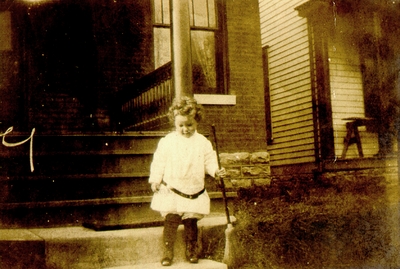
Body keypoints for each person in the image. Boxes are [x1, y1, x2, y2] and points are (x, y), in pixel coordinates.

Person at [149, 96, 226, 266]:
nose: (185, 129)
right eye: (180, 125)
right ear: (174, 124)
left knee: (191, 222)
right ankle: (168, 250)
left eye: (189, 125)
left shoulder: (203, 143)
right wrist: (155, 179)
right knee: (171, 220)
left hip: (193, 190)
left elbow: (209, 161)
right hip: (173, 189)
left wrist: (215, 171)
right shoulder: (168, 142)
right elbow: (159, 161)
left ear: (196, 122)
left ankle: (192, 248)